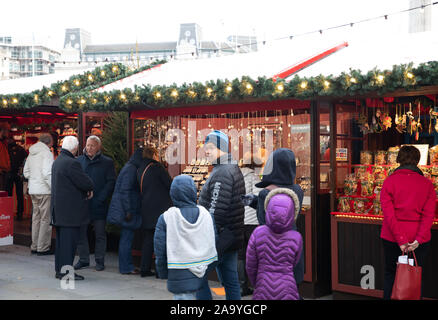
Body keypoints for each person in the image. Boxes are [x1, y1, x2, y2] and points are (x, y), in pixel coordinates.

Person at [380, 145, 436, 300]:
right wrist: (417, 240)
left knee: (391, 273)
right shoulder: (427, 185)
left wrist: (401, 240)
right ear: (418, 161)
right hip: (418, 240)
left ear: (398, 160)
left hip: (392, 238)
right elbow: (428, 216)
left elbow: (389, 215)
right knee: (415, 277)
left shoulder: (389, 182)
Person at [197, 130, 245, 300]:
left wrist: (204, 233)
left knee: (198, 275)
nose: (206, 151)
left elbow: (216, 211)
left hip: (219, 237)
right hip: (229, 236)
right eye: (205, 147)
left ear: (221, 148)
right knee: (230, 281)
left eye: (210, 147)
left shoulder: (223, 172)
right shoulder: (229, 167)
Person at [247, 148, 305, 287]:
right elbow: (283, 213)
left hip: (271, 249)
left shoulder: (265, 194)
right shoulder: (297, 191)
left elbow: (264, 221)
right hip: (292, 241)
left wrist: (257, 202)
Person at [154, 175, 218, 300]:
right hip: (203, 267)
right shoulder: (206, 214)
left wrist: (162, 271)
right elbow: (213, 240)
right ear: (193, 191)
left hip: (178, 270)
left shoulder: (166, 217)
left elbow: (160, 249)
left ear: (173, 193)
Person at [246, 188, 303, 300]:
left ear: (268, 209)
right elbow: (295, 263)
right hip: (287, 288)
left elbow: (250, 265)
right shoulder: (296, 237)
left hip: (262, 286)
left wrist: (256, 283)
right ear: (292, 212)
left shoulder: (258, 233)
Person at [51, 136, 94, 281]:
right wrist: (88, 189)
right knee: (69, 246)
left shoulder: (58, 161)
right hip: (70, 212)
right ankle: (66, 273)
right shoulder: (71, 163)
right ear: (75, 148)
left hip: (59, 211)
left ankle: (60, 270)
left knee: (62, 244)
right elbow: (86, 182)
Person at [75, 136, 116, 272]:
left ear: (98, 147)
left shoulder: (107, 162)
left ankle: (100, 260)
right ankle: (83, 259)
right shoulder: (79, 161)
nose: (89, 148)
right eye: (87, 145)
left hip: (99, 204)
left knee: (100, 234)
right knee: (81, 233)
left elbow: (111, 182)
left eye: (92, 145)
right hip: (82, 204)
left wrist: (101, 198)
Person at [137, 146, 172, 277]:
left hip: (146, 208)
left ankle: (144, 268)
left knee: (148, 239)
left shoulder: (140, 169)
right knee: (161, 240)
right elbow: (169, 184)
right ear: (154, 155)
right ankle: (160, 270)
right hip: (160, 209)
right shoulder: (157, 168)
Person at [107, 148, 143, 274]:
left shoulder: (130, 167)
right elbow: (125, 190)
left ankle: (127, 266)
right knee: (127, 239)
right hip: (126, 209)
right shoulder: (131, 169)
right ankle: (126, 267)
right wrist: (128, 210)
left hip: (123, 208)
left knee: (126, 238)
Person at [23, 134, 54, 255]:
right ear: (49, 142)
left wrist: (34, 179)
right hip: (45, 190)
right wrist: (52, 188)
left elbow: (26, 172)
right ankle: (43, 248)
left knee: (36, 218)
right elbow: (47, 173)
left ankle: (34, 245)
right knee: (45, 220)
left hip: (33, 190)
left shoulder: (31, 152)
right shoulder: (47, 153)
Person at [237, 152, 262, 297]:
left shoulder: (237, 177)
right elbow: (257, 198)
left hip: (240, 220)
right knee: (255, 254)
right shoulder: (253, 177)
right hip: (252, 221)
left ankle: (242, 285)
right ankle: (257, 284)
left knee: (240, 254)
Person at [6, 138, 27, 221]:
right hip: (19, 173)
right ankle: (20, 214)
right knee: (19, 195)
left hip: (9, 173)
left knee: (9, 195)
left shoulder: (6, 149)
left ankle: (8, 213)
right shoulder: (21, 149)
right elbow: (25, 159)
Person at [0, 123, 11, 191]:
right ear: (2, 130)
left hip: (3, 173)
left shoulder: (3, 143)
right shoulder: (1, 144)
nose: (8, 133)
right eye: (7, 130)